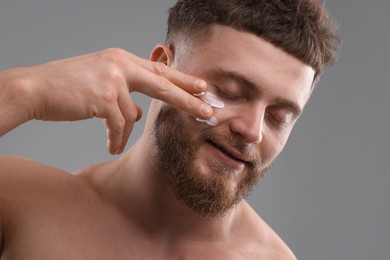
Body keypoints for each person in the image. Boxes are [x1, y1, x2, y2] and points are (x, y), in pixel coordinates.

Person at [0, 0, 339, 259]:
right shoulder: (18, 202)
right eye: (230, 92)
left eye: (278, 117)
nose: (252, 131)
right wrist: (23, 92)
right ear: (162, 67)